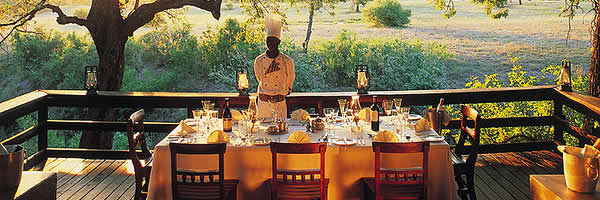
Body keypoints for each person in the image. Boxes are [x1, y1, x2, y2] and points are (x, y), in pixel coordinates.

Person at [254, 14, 295, 119]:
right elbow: (259, 78)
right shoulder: (259, 61)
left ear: (279, 42)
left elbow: (290, 79)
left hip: (279, 104)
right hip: (263, 103)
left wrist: (284, 91)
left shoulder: (287, 61)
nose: (270, 43)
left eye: (273, 40)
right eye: (268, 40)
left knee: (281, 131)